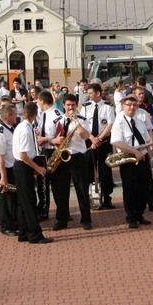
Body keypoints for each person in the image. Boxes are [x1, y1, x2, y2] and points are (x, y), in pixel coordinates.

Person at [48, 94, 93, 231]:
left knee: (82, 190)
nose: (70, 107)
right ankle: (62, 219)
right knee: (62, 191)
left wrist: (75, 121)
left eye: (73, 105)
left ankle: (86, 219)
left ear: (76, 105)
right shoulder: (57, 120)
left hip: (77, 157)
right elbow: (50, 140)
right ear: (63, 105)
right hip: (62, 157)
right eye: (68, 105)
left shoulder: (82, 120)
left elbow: (85, 136)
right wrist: (55, 141)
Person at [12, 102, 53, 244]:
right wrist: (38, 168)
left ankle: (23, 232)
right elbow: (23, 155)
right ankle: (35, 234)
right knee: (29, 201)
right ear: (35, 114)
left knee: (23, 202)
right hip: (23, 166)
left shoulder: (24, 127)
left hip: (22, 166)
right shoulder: (24, 129)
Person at [110, 95, 153, 229]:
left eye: (134, 105)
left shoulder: (139, 121)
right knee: (130, 189)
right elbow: (117, 142)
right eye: (129, 105)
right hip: (128, 159)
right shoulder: (119, 122)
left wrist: (150, 158)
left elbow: (146, 141)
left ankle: (139, 214)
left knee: (144, 188)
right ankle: (131, 217)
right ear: (123, 106)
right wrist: (134, 152)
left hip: (142, 158)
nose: (132, 107)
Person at [80, 83, 116, 209]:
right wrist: (92, 139)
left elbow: (110, 124)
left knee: (105, 170)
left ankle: (107, 198)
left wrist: (99, 139)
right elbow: (82, 124)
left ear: (98, 93)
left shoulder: (108, 106)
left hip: (103, 141)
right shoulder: (85, 107)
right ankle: (91, 198)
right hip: (89, 141)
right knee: (88, 168)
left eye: (90, 93)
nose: (88, 95)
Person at [0, 104, 20, 236]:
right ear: (9, 116)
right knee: (5, 199)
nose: (17, 116)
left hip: (13, 168)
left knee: (13, 198)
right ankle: (6, 226)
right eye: (15, 114)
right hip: (5, 169)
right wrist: (3, 176)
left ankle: (15, 222)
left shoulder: (10, 129)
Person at [34, 90, 64, 221]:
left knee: (57, 184)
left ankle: (62, 211)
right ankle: (43, 209)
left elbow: (60, 136)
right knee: (43, 183)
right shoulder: (42, 114)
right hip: (44, 151)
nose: (38, 103)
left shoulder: (57, 114)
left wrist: (44, 139)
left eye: (38, 101)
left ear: (42, 101)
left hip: (54, 151)